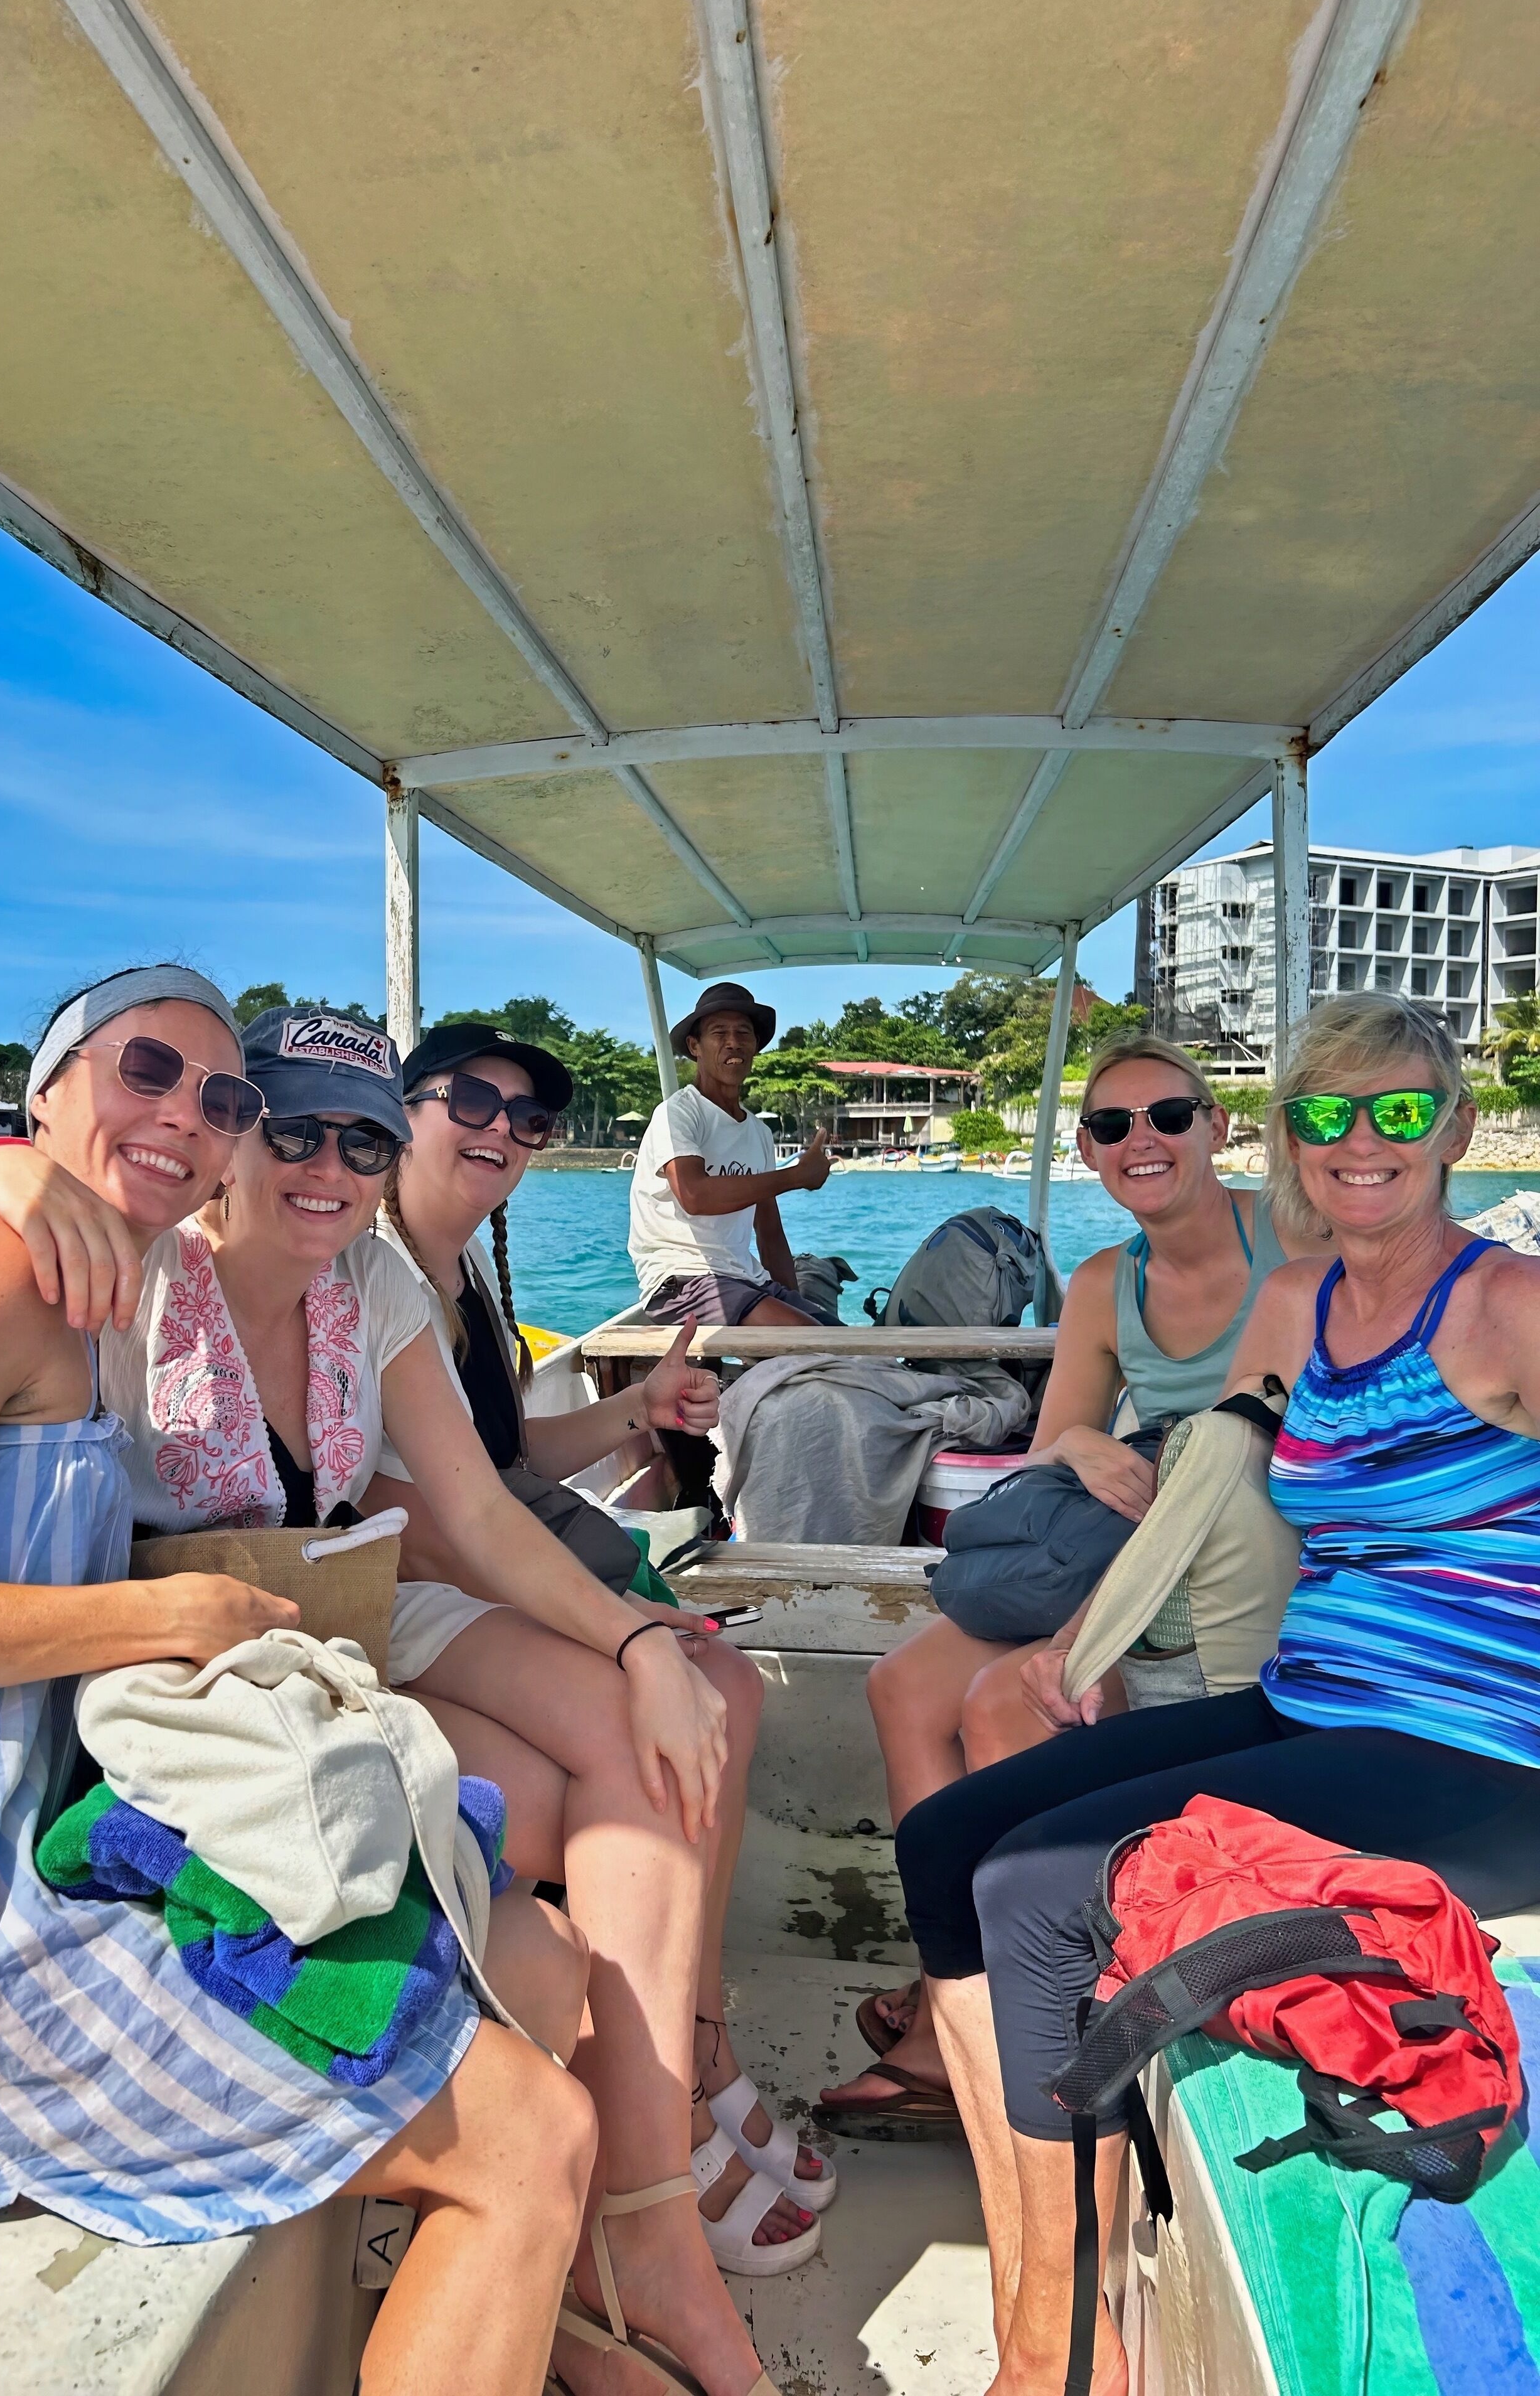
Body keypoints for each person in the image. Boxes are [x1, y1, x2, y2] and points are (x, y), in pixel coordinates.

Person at [0, 1003, 790, 2396]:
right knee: (559, 1859)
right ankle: (617, 2206)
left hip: (327, 1624)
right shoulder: (123, 1261)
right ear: (232, 1141)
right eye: (292, 1127)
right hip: (189, 1672)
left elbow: (475, 1511)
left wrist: (638, 1647)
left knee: (650, 1734)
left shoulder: (373, 1284)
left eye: (362, 1142)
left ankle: (648, 2193)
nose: (328, 1165)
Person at [894, 993, 1540, 2393]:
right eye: (1324, 1114)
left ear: (1455, 1131)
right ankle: (1033, 2262)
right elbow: (1204, 1485)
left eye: (1400, 1110)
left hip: (1480, 1748)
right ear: (1290, 1140)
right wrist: (1084, 1643)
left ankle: (1055, 2353)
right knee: (945, 1845)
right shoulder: (1298, 1302)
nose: (1361, 1140)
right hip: (1315, 1703)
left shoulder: (1512, 1308)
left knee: (1039, 1888)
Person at [368, 1017, 838, 2220]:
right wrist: (607, 1626)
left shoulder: (461, 1272)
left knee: (729, 1687)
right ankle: (661, 2106)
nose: (503, 1133)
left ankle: (700, 2032)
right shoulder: (367, 1269)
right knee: (669, 1707)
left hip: (487, 1561)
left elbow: (509, 1452)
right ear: (400, 1113)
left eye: (526, 1119)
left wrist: (640, 1411)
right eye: (470, 1103)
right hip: (431, 1587)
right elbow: (421, 1515)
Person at [821, 1031, 1313, 2130]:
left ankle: (1030, 2025)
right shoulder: (1104, 1282)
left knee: (1007, 1703)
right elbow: (1056, 1440)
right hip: (1125, 1531)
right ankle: (952, 1986)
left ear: (1215, 1126)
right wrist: (1091, 1446)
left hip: (1231, 1557)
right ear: (1087, 1151)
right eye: (1111, 1125)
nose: (1143, 1140)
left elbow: (1244, 1455)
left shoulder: (1291, 1240)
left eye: (1169, 1117)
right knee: (901, 1686)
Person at [629, 982, 832, 1327]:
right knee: (814, 1339)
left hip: (744, 1280)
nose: (733, 1042)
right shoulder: (677, 1114)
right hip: (682, 1282)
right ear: (695, 1046)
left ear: (755, 1046)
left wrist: (794, 1302)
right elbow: (694, 1194)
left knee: (843, 1340)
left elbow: (769, 1233)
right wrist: (796, 1176)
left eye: (743, 1033)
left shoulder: (759, 1133)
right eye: (719, 1033)